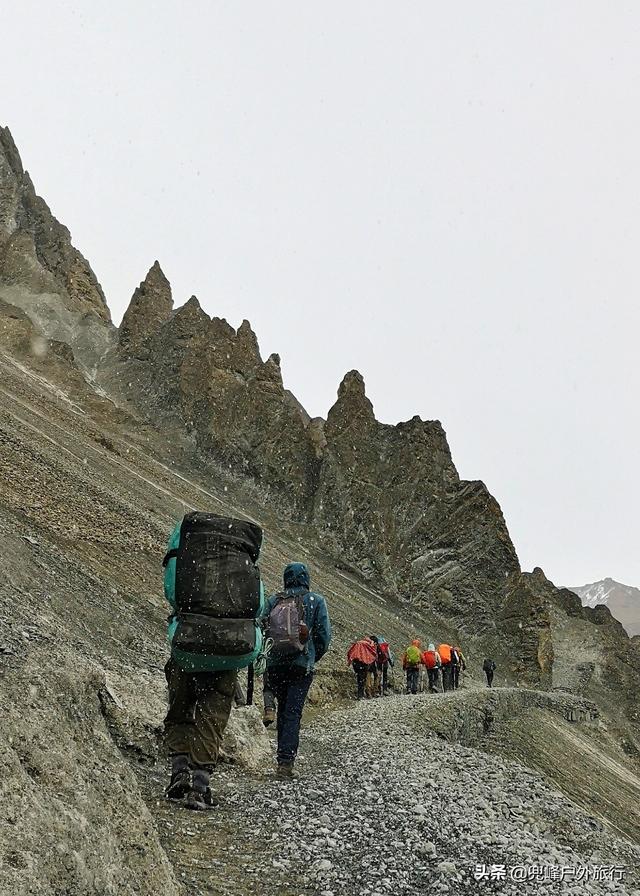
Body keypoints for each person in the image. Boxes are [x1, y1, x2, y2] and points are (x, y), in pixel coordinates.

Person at [163, 513, 264, 811]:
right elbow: (257, 605)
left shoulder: (188, 553)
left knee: (180, 708)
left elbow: (172, 592)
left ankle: (178, 771)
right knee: (213, 716)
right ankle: (200, 786)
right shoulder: (242, 564)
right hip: (228, 650)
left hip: (188, 646)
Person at [263, 562, 331, 777]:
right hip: (301, 666)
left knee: (283, 709)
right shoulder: (316, 601)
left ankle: (281, 756)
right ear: (306, 578)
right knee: (293, 712)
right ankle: (285, 763)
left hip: (275, 664)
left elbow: (262, 627)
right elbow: (323, 637)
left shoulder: (274, 600)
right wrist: (311, 656)